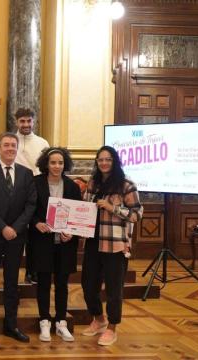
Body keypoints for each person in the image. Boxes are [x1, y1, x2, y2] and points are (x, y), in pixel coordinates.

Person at [81, 145, 143, 346]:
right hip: (92, 242)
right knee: (88, 285)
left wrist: (112, 208)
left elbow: (136, 214)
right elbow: (84, 208)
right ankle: (98, 320)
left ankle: (112, 328)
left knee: (114, 290)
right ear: (97, 163)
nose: (104, 163)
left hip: (115, 245)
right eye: (100, 160)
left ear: (114, 161)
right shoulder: (93, 183)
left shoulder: (126, 185)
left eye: (108, 159)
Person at [0, 132, 36, 344]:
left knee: (12, 283)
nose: (10, 148)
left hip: (16, 237)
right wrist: (3, 227)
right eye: (6, 145)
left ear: (17, 147)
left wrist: (15, 228)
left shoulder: (26, 173)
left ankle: (11, 325)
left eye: (13, 145)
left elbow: (31, 205)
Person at [29, 147, 81, 342]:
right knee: (43, 283)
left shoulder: (72, 186)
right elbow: (29, 209)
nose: (57, 166)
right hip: (42, 241)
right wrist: (37, 223)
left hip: (65, 243)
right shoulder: (35, 183)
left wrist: (72, 231)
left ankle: (61, 322)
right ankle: (44, 321)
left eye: (60, 162)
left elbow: (78, 215)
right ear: (46, 164)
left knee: (62, 283)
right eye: (53, 162)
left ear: (64, 164)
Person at [13, 108, 49, 285]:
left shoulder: (43, 143)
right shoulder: (10, 141)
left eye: (29, 121)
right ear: (16, 122)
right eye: (22, 121)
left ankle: (32, 271)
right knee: (18, 231)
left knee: (35, 233)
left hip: (38, 191)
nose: (26, 125)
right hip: (15, 192)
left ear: (34, 121)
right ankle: (12, 272)